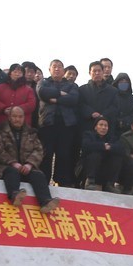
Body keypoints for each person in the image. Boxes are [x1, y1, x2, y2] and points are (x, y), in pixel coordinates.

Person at [0, 106, 58, 213]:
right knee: (12, 172)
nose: (17, 119)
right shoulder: (0, 132)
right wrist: (13, 163)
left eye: (20, 117)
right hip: (6, 168)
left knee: (38, 175)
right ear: (9, 117)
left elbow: (38, 150)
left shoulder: (32, 133)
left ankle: (45, 202)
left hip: (26, 168)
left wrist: (29, 164)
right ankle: (15, 195)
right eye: (14, 116)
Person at [36, 59, 80, 187]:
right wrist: (60, 94)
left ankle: (61, 182)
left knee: (63, 154)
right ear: (49, 69)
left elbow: (73, 99)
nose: (57, 69)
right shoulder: (43, 82)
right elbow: (42, 93)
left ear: (63, 70)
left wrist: (55, 100)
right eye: (54, 67)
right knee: (46, 154)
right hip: (47, 124)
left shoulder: (72, 85)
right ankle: (43, 181)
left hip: (66, 125)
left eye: (60, 67)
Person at [79, 116, 124, 192]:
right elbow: (86, 146)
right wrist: (103, 146)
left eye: (106, 125)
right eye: (101, 125)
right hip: (89, 167)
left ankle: (110, 184)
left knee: (117, 157)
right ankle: (90, 182)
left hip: (105, 168)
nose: (103, 127)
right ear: (96, 127)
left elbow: (121, 149)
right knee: (95, 154)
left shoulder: (112, 138)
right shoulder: (88, 135)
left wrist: (110, 147)